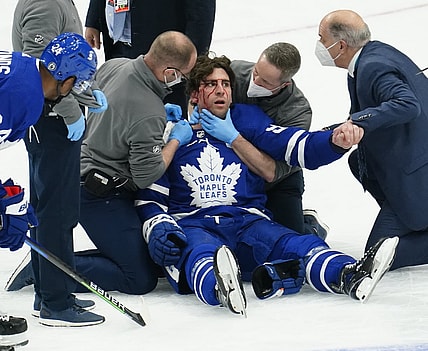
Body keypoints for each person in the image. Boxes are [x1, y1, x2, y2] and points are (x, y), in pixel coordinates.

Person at [134, 54, 399, 316]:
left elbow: (294, 143)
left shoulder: (245, 119)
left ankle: (348, 275)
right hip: (194, 222)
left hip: (248, 221)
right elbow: (150, 194)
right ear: (194, 93)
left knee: (297, 244)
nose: (221, 90)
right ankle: (220, 288)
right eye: (211, 84)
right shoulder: (171, 131)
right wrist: (160, 227)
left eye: (226, 84)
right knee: (201, 252)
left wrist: (334, 141)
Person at [5, 31, 198, 297]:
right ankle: (52, 272)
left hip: (82, 170)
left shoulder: (115, 64)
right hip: (100, 193)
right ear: (169, 71)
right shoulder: (148, 112)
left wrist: (156, 116)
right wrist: (174, 140)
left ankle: (50, 264)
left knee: (145, 256)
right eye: (183, 75)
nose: (181, 82)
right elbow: (146, 175)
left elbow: (121, 109)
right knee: (140, 277)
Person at [7, 0, 108, 328]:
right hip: (50, 121)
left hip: (45, 108)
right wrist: (70, 110)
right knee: (56, 209)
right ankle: (56, 302)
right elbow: (46, 64)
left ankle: (51, 290)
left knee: (48, 206)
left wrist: (84, 96)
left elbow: (51, 68)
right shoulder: (45, 3)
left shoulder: (26, 86)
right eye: (76, 84)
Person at [315, 9, 428, 270]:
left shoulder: (372, 66)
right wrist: (334, 130)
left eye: (322, 39)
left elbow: (407, 105)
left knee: (377, 256)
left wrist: (357, 122)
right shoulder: (372, 56)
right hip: (407, 164)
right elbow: (369, 114)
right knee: (358, 160)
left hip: (417, 174)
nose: (319, 45)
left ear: (340, 45)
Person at [231, 42, 328, 237]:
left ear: (285, 84)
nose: (255, 81)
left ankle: (310, 226)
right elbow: (196, 96)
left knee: (290, 240)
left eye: (265, 82)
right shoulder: (233, 73)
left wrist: (233, 137)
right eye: (256, 72)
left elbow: (271, 172)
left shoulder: (298, 113)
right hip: (232, 172)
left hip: (278, 182)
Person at [84, 0, 216, 115]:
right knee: (121, 115)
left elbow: (201, 11)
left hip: (164, 55)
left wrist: (192, 63)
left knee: (163, 124)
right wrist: (94, 19)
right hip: (118, 46)